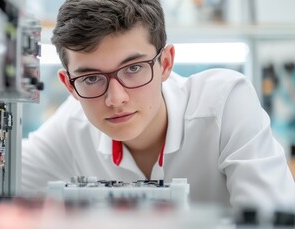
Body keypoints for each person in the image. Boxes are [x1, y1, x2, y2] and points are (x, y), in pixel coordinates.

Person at [21, 0, 295, 212]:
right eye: (91, 78)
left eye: (134, 68)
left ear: (165, 63)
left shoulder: (224, 105)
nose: (116, 99)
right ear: (69, 86)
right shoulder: (70, 128)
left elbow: (271, 224)